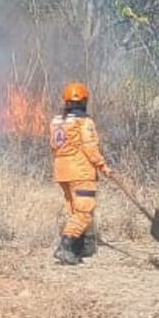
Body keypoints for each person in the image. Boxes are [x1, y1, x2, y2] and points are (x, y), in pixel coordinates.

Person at [50, 82, 112, 264]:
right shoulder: (84, 123)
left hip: (62, 173)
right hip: (81, 172)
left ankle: (82, 246)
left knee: (75, 210)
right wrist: (103, 166)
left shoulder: (56, 122)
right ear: (85, 101)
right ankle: (66, 247)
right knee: (84, 212)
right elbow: (90, 148)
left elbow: (54, 146)